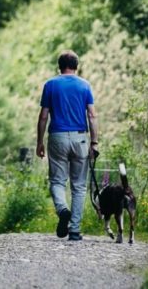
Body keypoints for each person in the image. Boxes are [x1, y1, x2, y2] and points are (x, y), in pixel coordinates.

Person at [36, 50, 98, 241]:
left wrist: (39, 141)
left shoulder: (51, 85)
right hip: (80, 138)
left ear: (59, 66)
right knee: (79, 186)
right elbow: (92, 116)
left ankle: (63, 209)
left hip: (57, 137)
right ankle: (75, 230)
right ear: (76, 66)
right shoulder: (85, 85)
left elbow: (44, 116)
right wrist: (94, 142)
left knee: (57, 181)